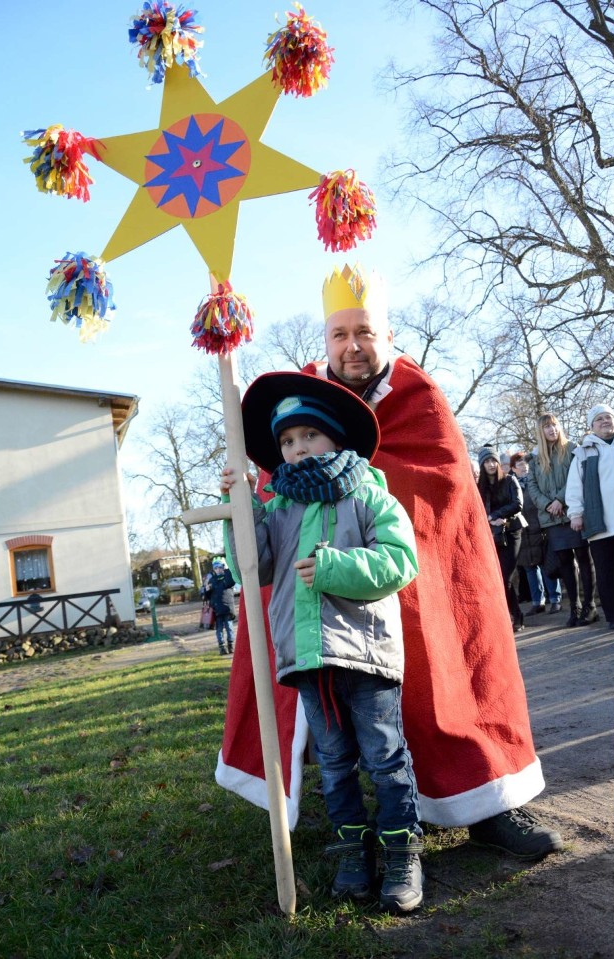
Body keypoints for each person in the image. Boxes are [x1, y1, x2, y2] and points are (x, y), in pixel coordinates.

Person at [218, 263, 563, 861]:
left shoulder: (417, 397)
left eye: (365, 332)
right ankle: (358, 834)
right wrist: (248, 496)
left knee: (447, 687)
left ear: (387, 336)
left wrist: (367, 490)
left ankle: (484, 803)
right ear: (325, 341)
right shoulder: (296, 408)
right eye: (340, 334)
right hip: (324, 607)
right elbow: (274, 518)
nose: (353, 346)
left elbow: (445, 491)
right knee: (337, 730)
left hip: (407, 580)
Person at [220, 371, 423, 912]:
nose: (296, 447)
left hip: (366, 653)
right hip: (308, 658)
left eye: (309, 435)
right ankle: (352, 853)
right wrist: (239, 506)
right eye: (287, 441)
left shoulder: (367, 493)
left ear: (336, 438)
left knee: (383, 757)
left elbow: (400, 561)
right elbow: (255, 563)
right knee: (333, 763)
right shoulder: (280, 506)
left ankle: (403, 853)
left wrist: (334, 567)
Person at [527, 414, 597, 628]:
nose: (552, 430)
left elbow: (577, 477)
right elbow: (532, 487)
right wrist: (548, 504)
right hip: (551, 519)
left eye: (554, 426)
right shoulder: (536, 459)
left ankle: (589, 606)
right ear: (541, 431)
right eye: (547, 427)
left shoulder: (572, 449)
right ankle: (574, 607)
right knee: (565, 564)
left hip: (573, 513)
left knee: (584, 559)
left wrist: (559, 500)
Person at [565, 404, 614, 630]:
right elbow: (574, 486)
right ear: (592, 426)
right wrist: (575, 513)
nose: (605, 421)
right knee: (606, 572)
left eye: (609, 417)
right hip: (601, 523)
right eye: (599, 419)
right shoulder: (583, 452)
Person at [476, 448, 527, 631]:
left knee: (506, 576)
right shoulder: (479, 486)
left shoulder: (509, 479)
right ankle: (510, 614)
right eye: (486, 461)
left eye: (493, 461)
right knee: (498, 578)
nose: (490, 464)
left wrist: (498, 515)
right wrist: (490, 519)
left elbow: (518, 504)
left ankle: (516, 615)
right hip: (491, 535)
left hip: (512, 532)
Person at [510, 452, 562, 615]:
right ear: (513, 469)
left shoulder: (536, 482)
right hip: (522, 534)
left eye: (525, 463)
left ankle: (555, 599)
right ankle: (537, 602)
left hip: (540, 529)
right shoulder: (511, 487)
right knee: (530, 569)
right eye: (519, 464)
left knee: (547, 566)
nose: (524, 466)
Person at [207, 557, 236, 655]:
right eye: (215, 568)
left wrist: (227, 570)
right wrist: (206, 590)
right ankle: (221, 647)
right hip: (217, 610)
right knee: (219, 629)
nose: (218, 570)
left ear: (224, 567)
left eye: (220, 567)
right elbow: (206, 595)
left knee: (229, 627)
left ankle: (231, 645)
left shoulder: (227, 577)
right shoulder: (212, 580)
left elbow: (230, 582)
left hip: (227, 608)